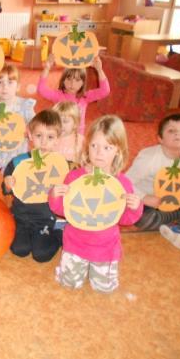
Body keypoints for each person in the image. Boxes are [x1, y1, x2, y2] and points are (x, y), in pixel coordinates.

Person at [48, 115, 143, 293]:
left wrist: (135, 206)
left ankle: (96, 270)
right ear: (87, 146)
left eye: (107, 147)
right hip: (75, 244)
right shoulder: (75, 177)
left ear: (118, 150)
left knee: (105, 289)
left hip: (105, 248)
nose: (99, 153)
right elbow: (62, 210)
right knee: (68, 284)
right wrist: (55, 196)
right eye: (94, 146)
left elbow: (126, 219)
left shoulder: (121, 184)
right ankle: (69, 266)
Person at [126, 113, 180, 250]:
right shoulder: (148, 159)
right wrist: (144, 198)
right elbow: (125, 182)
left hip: (174, 199)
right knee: (143, 219)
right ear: (160, 139)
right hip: (149, 202)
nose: (177, 134)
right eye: (171, 130)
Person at [2, 109, 64, 262]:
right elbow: (5, 189)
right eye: (39, 136)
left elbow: (65, 195)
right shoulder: (18, 162)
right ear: (30, 135)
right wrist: (7, 184)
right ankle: (27, 235)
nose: (44, 142)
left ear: (57, 140)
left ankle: (60, 234)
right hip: (20, 216)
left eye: (50, 137)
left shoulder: (59, 165)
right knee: (19, 250)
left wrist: (60, 192)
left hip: (44, 218)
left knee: (41, 255)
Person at [38, 55, 110, 134]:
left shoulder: (85, 97)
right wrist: (47, 68)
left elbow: (105, 91)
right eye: (69, 79)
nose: (72, 84)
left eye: (77, 80)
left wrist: (99, 70)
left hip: (77, 136)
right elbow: (41, 89)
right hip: (60, 134)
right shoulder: (58, 95)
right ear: (63, 80)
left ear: (83, 83)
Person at [52, 101, 84, 166]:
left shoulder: (82, 141)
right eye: (57, 121)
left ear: (75, 123)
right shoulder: (49, 138)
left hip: (74, 173)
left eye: (65, 121)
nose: (60, 125)